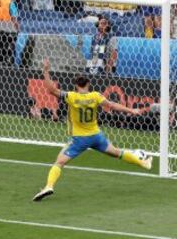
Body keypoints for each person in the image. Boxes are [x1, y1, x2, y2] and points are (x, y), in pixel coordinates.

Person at [32, 59, 153, 202]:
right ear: (88, 84)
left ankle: (48, 186)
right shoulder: (95, 96)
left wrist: (46, 70)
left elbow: (51, 90)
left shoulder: (72, 96)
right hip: (96, 136)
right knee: (117, 153)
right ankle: (144, 162)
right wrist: (131, 110)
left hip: (79, 139)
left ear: (76, 85)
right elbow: (112, 105)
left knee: (59, 162)